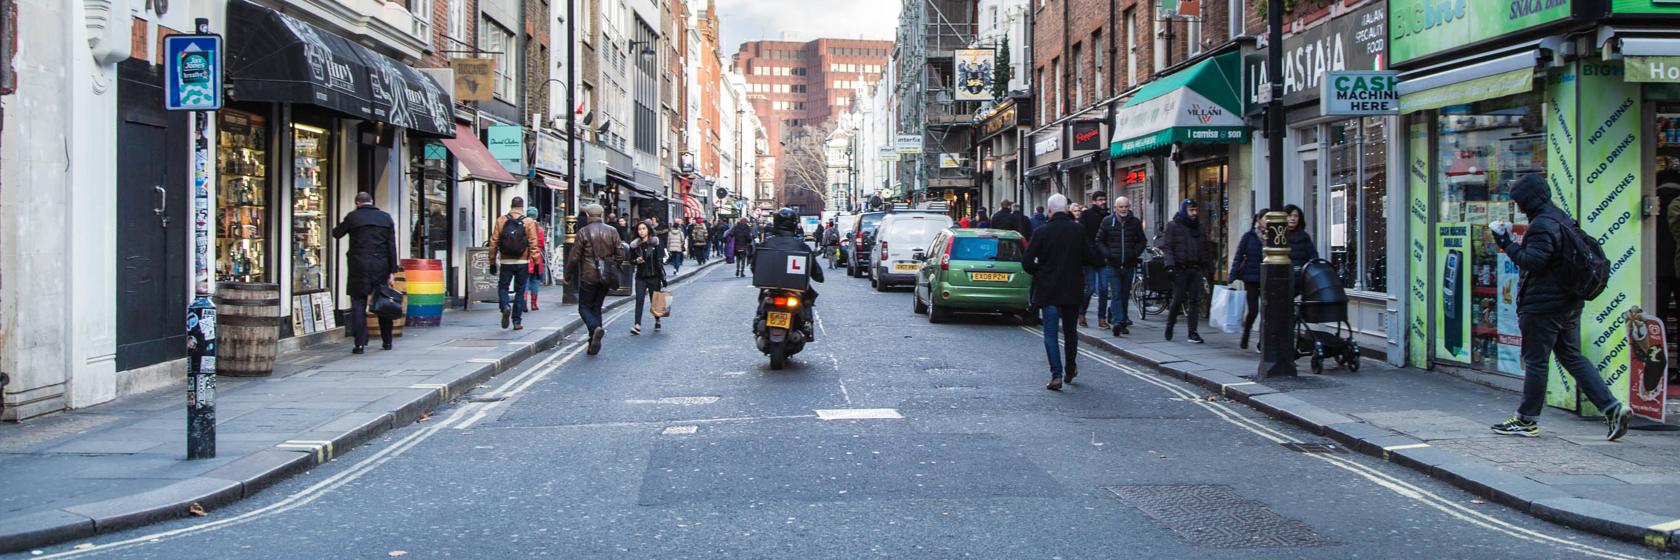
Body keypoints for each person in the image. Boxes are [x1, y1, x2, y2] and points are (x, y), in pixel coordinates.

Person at [1490, 175, 1631, 440]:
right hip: (1568, 302)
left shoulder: (1542, 225)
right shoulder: (1560, 217)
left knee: (1536, 362)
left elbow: (1533, 261)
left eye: (1519, 201)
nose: (1518, 206)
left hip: (1543, 306)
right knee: (1572, 357)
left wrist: (1505, 242)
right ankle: (1611, 408)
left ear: (1527, 200)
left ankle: (1526, 420)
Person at [1023, 194, 1098, 391]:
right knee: (1070, 332)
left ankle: (1055, 375)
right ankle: (1070, 369)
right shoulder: (1078, 230)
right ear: (1066, 210)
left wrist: (1040, 272)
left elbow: (1027, 262)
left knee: (1050, 333)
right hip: (1072, 289)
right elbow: (1090, 257)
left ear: (1049, 211)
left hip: (1048, 291)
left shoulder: (1041, 232)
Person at [331, 192, 398, 354]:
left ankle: (359, 344)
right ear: (372, 201)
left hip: (358, 265)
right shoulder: (385, 218)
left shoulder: (353, 217)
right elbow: (391, 246)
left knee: (358, 304)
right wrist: (392, 271)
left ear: (357, 203)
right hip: (380, 265)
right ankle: (387, 341)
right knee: (383, 302)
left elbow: (336, 233)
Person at [565, 204, 623, 356]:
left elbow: (574, 257)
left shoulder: (583, 232)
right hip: (606, 276)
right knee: (597, 307)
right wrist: (613, 266)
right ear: (602, 214)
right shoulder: (612, 231)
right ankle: (593, 342)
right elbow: (620, 254)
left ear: (588, 216)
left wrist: (568, 275)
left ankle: (594, 327)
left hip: (588, 275)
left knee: (584, 307)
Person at [760, 208, 826, 341]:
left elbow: (755, 266)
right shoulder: (801, 246)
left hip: (772, 287)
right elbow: (816, 272)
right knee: (807, 299)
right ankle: (807, 325)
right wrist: (818, 276)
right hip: (794, 288)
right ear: (795, 225)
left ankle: (759, 318)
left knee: (763, 296)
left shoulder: (766, 243)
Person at [1161, 199, 1209, 343]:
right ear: (1184, 210)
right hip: (1180, 269)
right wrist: (1169, 266)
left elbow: (1204, 248)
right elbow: (1167, 247)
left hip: (1195, 268)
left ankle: (1192, 332)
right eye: (1191, 210)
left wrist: (1207, 266)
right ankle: (1170, 325)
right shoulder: (1173, 226)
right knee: (1178, 299)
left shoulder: (1199, 226)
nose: (1194, 213)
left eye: (1195, 210)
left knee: (1195, 301)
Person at [490, 197, 542, 331]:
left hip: (506, 261)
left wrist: (492, 262)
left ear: (511, 205)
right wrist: (536, 263)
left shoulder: (501, 220)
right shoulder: (528, 221)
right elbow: (533, 244)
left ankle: (505, 307)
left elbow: (494, 242)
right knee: (520, 290)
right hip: (522, 261)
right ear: (522, 207)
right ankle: (517, 321)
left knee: (503, 287)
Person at [1097, 196, 1146, 336]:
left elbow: (1142, 241)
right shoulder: (1107, 222)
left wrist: (1134, 253)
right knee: (1116, 293)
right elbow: (1099, 241)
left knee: (1125, 295)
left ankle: (1122, 321)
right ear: (1115, 208)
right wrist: (1108, 254)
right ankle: (1118, 322)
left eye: (1126, 206)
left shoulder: (1135, 222)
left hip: (1129, 264)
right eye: (1121, 207)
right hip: (1113, 265)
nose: (1124, 209)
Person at [1230, 210, 1268, 350]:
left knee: (1267, 312)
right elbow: (1238, 255)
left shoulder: (1273, 236)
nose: (1268, 221)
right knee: (1253, 310)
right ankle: (1246, 333)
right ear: (1258, 219)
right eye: (1266, 218)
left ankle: (1262, 342)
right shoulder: (1249, 236)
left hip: (1267, 278)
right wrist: (1232, 275)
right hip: (1251, 278)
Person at [1078, 191, 1111, 329]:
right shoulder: (1086, 215)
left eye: (1104, 199)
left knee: (1103, 290)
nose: (1103, 202)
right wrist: (1087, 252)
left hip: (1104, 258)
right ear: (1093, 201)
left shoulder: (1108, 217)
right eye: (1100, 200)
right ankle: (1081, 313)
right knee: (1090, 289)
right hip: (1089, 258)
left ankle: (1102, 318)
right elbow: (1082, 235)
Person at [629, 221, 667, 334]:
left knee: (654, 300)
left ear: (648, 230)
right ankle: (637, 325)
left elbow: (660, 259)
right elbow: (630, 260)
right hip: (640, 276)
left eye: (643, 229)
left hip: (654, 276)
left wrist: (662, 276)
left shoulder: (655, 243)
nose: (641, 231)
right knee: (639, 300)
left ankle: (657, 319)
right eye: (639, 229)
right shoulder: (634, 245)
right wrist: (636, 260)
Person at [525, 207, 547, 312]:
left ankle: (523, 301)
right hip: (536, 258)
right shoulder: (539, 228)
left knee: (524, 281)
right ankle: (533, 304)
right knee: (534, 281)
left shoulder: (523, 225)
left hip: (524, 257)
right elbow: (541, 243)